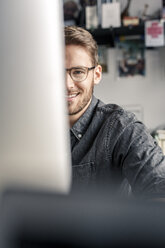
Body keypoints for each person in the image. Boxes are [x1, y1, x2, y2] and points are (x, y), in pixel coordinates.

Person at [64, 25, 165, 198]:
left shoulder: (122, 127)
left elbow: (159, 187)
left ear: (96, 74)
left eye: (78, 72)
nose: (67, 84)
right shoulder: (32, 129)